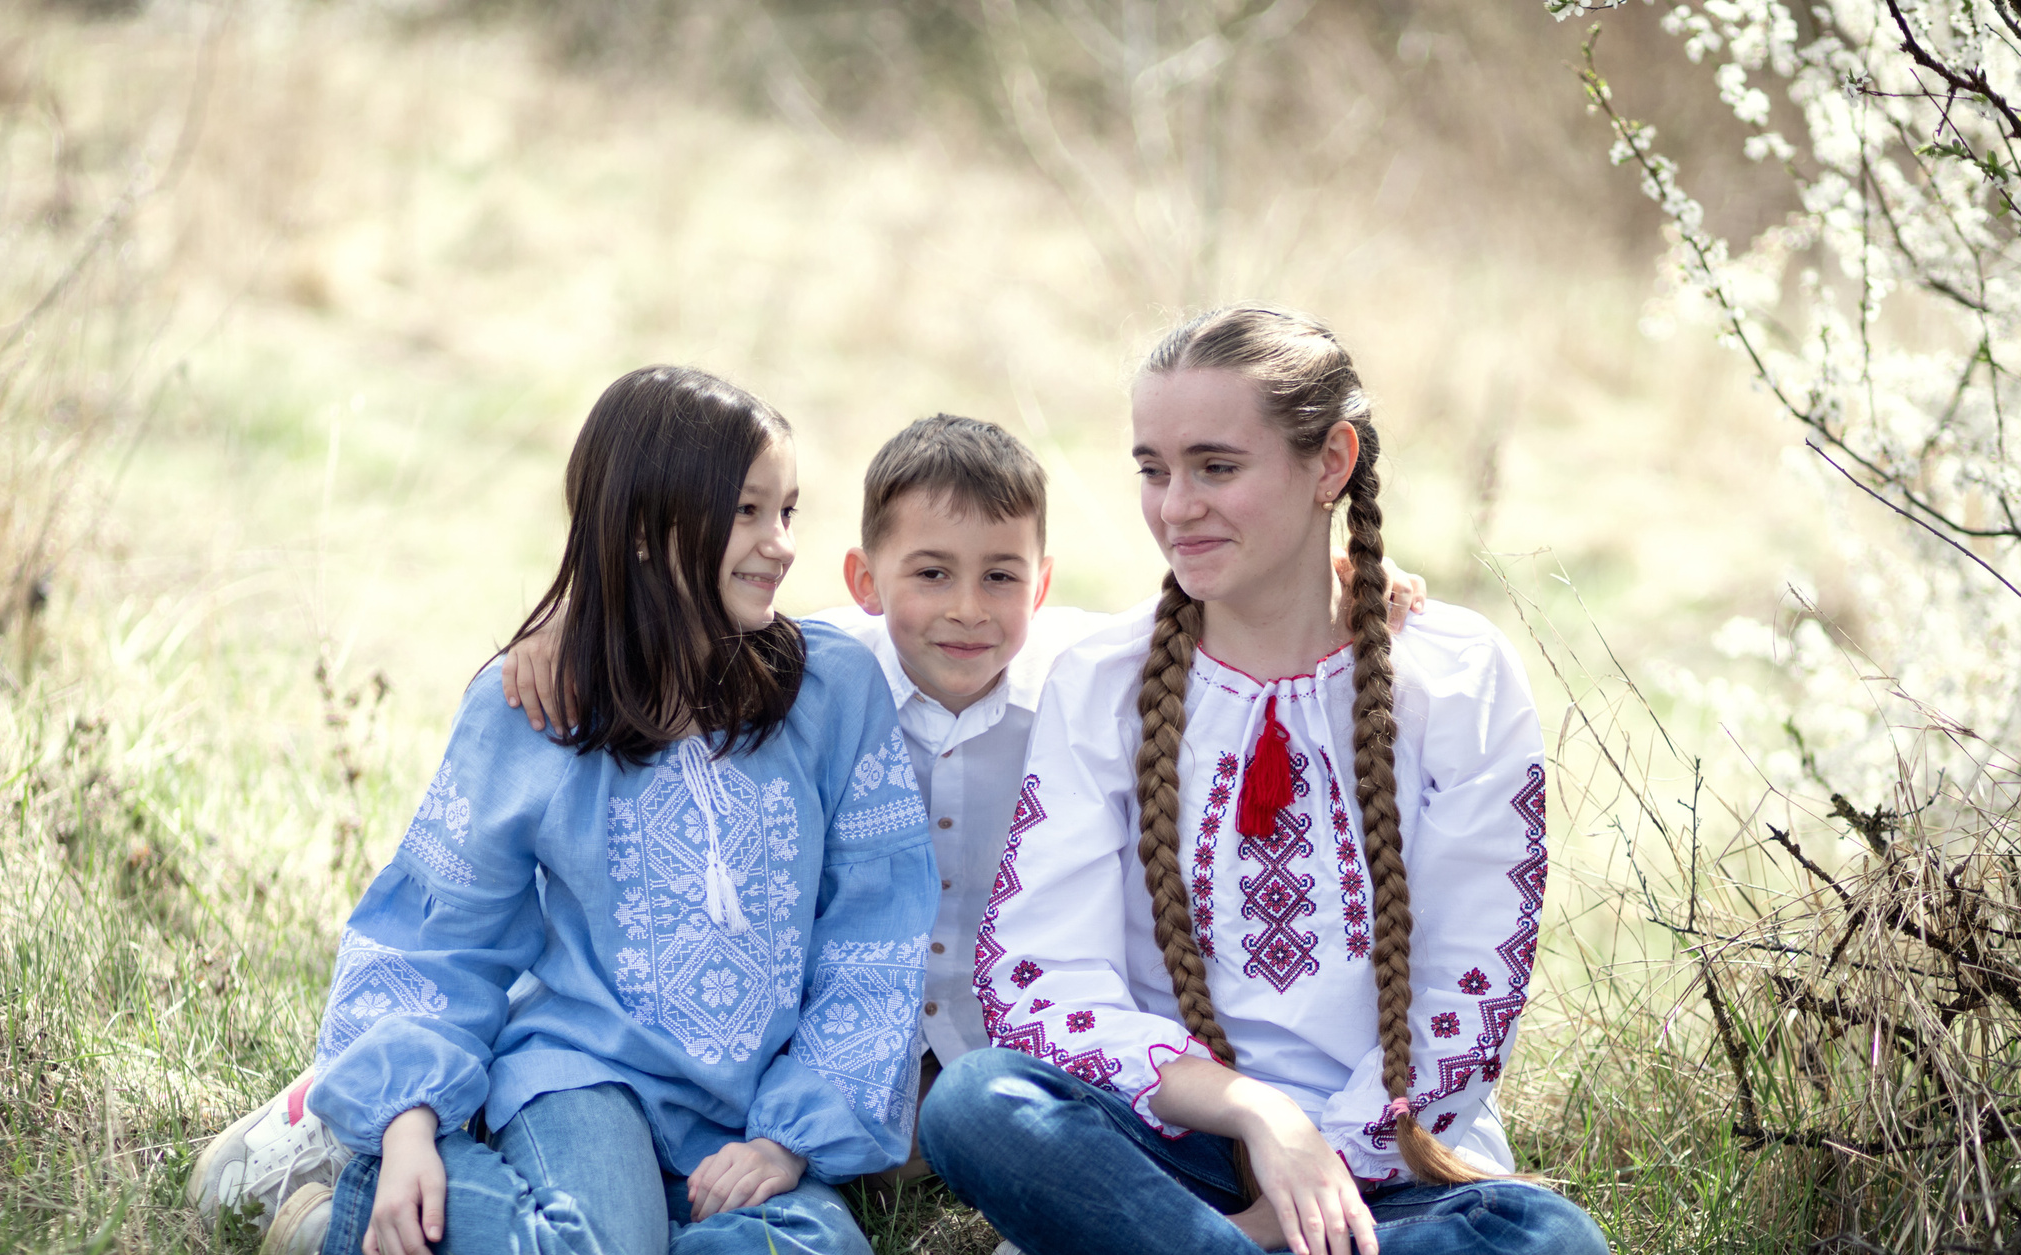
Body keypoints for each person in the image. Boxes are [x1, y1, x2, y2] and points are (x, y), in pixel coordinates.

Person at [909, 307, 1615, 1255]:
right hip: (1164, 1143)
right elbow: (1040, 979)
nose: (1174, 505)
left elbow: (1469, 987)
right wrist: (1256, 1118)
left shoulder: (1455, 676)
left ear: (1329, 464)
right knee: (976, 1104)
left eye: (1215, 467)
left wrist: (1313, 1167)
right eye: (1151, 468)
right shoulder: (1103, 676)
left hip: (1395, 1170)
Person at [187, 365, 936, 1255]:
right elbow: (438, 931)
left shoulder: (834, 689)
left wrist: (793, 1136)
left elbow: (873, 934)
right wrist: (409, 1124)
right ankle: (339, 1198)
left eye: (787, 509)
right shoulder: (534, 707)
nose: (781, 545)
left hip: (746, 1108)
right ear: (641, 528)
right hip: (588, 1078)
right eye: (747, 513)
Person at [507, 413, 1423, 1183]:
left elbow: (1215, 620)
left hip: (1013, 1046)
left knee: (1029, 1143)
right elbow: (688, 626)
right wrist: (563, 623)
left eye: (1001, 576)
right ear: (865, 582)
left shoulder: (1081, 674)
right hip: (852, 1042)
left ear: (1044, 582)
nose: (969, 610)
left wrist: (1343, 578)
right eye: (931, 573)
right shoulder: (813, 675)